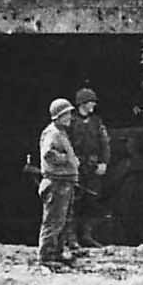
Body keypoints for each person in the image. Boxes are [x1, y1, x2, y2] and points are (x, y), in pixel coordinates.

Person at [38, 98, 81, 267]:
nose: (70, 116)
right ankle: (46, 257)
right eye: (66, 114)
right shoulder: (53, 133)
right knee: (54, 221)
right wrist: (67, 159)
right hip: (56, 182)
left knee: (62, 221)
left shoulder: (60, 132)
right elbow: (48, 154)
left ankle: (57, 252)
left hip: (64, 182)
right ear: (59, 116)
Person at [67, 87, 111, 248]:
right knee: (74, 202)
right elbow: (65, 143)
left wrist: (104, 162)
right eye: (90, 101)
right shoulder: (70, 122)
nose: (93, 105)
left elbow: (104, 143)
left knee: (92, 201)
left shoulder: (96, 122)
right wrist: (71, 160)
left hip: (92, 167)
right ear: (82, 103)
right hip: (75, 167)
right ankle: (71, 238)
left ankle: (86, 235)